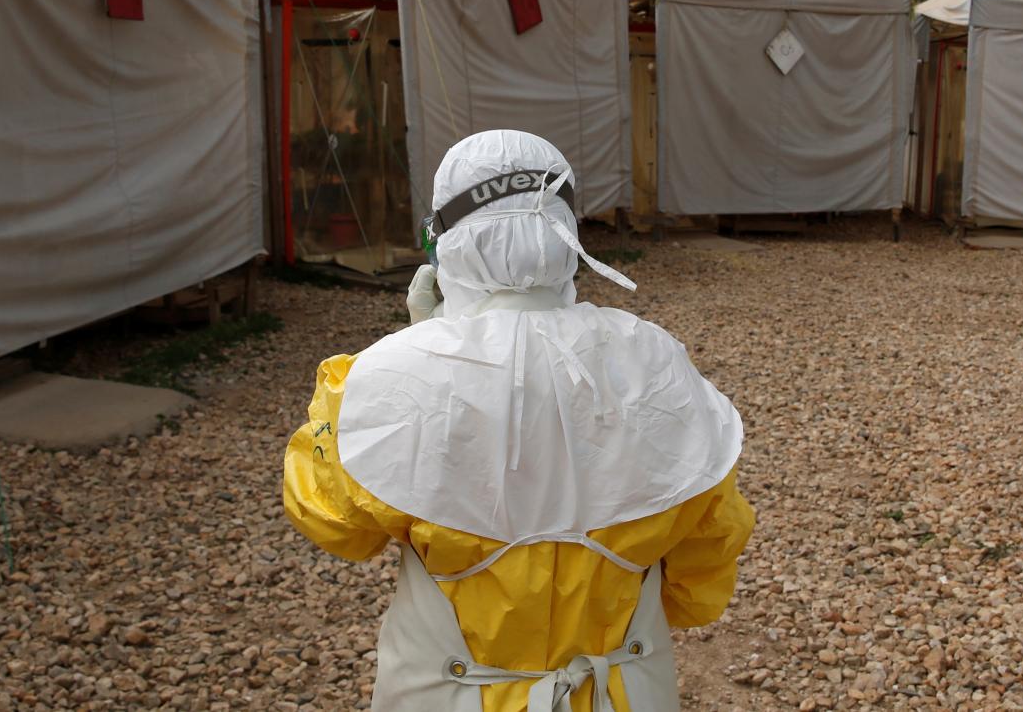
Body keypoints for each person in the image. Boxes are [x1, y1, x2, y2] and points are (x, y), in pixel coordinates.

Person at [284, 129, 754, 711]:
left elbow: (333, 523)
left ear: (445, 240)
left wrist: (417, 351)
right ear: (566, 232)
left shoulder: (382, 378)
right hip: (622, 690)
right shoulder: (655, 365)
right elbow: (708, 549)